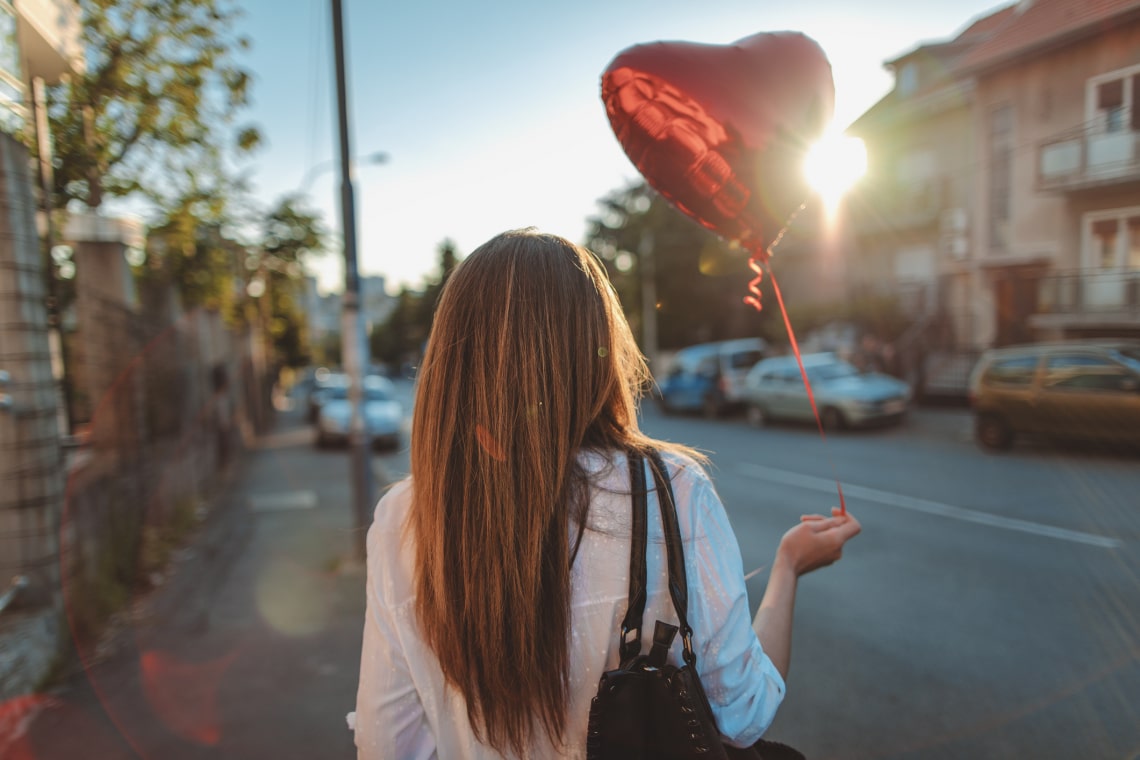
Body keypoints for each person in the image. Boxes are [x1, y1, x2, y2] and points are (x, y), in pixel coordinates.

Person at [352, 229, 861, 759]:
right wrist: (788, 567)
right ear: (595, 350)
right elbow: (743, 714)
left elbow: (387, 744)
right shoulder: (671, 489)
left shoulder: (404, 517)